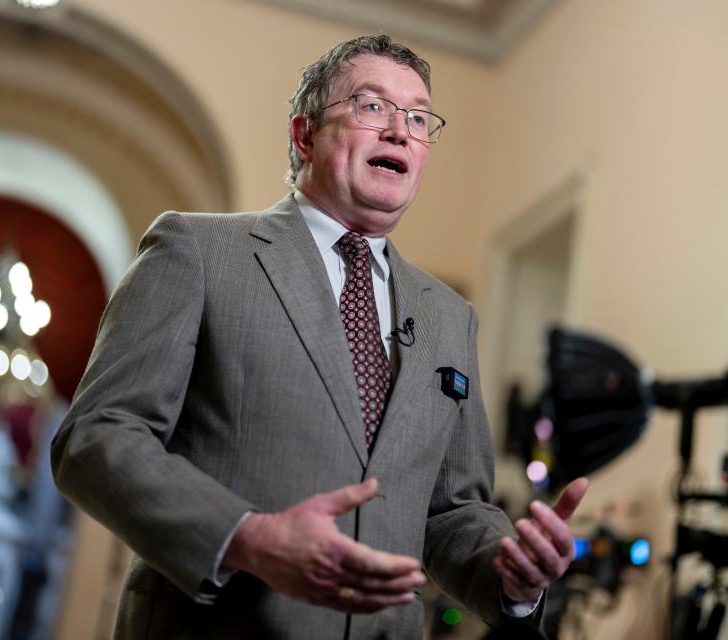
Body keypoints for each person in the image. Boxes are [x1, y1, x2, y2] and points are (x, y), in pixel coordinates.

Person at [51, 34, 588, 639]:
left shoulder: (450, 316)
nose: (399, 131)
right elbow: (96, 437)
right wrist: (247, 538)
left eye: (417, 117)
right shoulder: (197, 252)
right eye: (371, 107)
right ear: (304, 134)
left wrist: (510, 577)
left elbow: (452, 510)